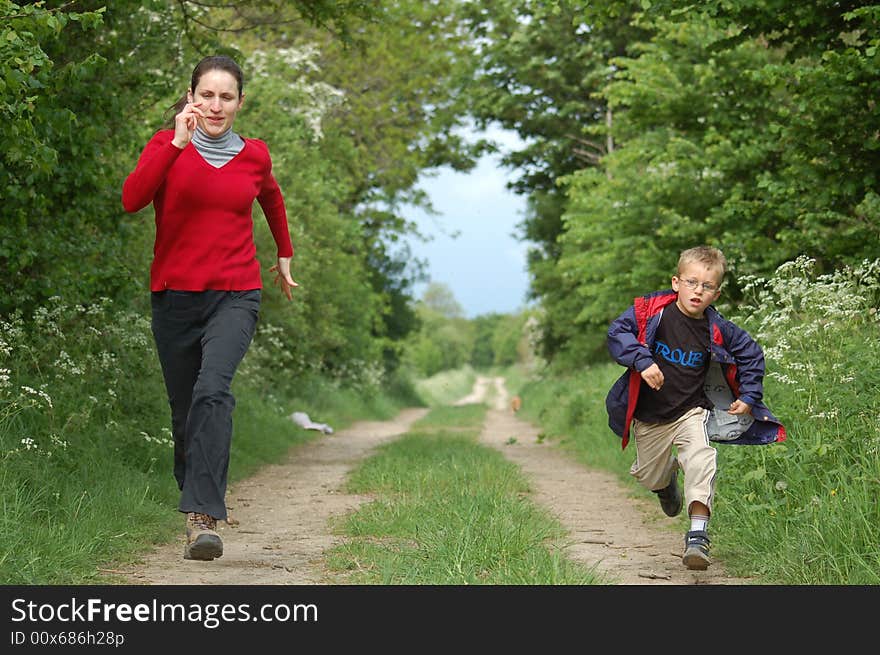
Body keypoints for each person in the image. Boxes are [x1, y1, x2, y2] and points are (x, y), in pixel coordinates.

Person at [122, 54, 298, 561]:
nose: (216, 106)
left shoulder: (254, 155)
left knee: (213, 390)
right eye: (207, 95)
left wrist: (283, 253)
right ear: (191, 97)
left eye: (226, 97)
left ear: (240, 102)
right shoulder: (165, 145)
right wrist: (176, 143)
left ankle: (203, 517)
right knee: (185, 411)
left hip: (236, 293)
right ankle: (194, 503)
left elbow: (272, 197)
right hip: (175, 295)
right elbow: (132, 199)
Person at [605, 246, 785, 570]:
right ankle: (665, 483)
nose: (698, 291)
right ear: (676, 283)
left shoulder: (717, 329)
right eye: (691, 282)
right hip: (650, 418)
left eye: (707, 286)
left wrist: (749, 395)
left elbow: (752, 354)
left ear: (716, 292)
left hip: (692, 412)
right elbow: (617, 332)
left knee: (702, 459)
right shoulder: (652, 312)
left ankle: (698, 537)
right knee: (649, 476)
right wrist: (643, 361)